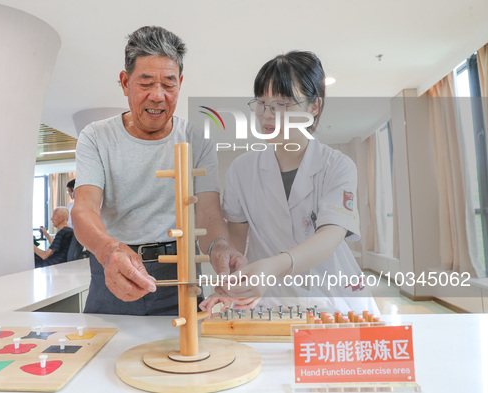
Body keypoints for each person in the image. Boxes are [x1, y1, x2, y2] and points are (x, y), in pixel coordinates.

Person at [72, 26, 246, 316]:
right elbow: (84, 210)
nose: (157, 96)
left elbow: (209, 214)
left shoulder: (196, 139)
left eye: (168, 84)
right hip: (114, 268)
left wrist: (219, 248)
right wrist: (108, 251)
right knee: (106, 357)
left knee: (186, 357)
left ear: (180, 83)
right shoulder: (96, 137)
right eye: (146, 83)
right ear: (125, 82)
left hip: (181, 273)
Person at [200, 51, 380, 315]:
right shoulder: (241, 170)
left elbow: (330, 236)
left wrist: (272, 267)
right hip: (270, 301)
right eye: (261, 103)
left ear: (314, 106)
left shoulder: (337, 166)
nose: (267, 115)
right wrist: (228, 287)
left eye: (282, 104)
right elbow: (237, 241)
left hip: (333, 298)